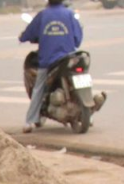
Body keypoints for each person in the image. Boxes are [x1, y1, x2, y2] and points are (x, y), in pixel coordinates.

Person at [19, 0, 83, 133]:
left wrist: (23, 37)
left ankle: (29, 121)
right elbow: (78, 38)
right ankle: (88, 115)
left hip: (48, 61)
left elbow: (29, 33)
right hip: (69, 59)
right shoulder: (69, 14)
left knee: (38, 88)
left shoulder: (43, 15)